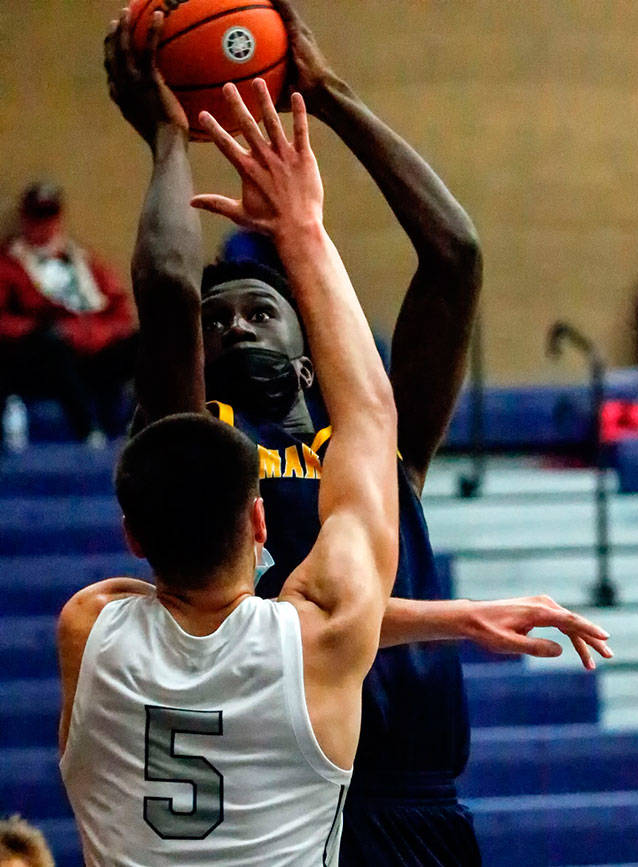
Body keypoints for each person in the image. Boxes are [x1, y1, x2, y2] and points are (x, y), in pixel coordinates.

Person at [104, 8, 612, 865]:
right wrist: (168, 138)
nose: (230, 328)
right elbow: (163, 281)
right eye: (216, 318)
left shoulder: (378, 452)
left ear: (313, 355)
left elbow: (454, 255)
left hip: (421, 803)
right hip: (289, 792)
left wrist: (328, 96)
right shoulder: (203, 450)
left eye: (260, 311)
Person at [57, 81, 399, 865]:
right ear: (259, 521)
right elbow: (372, 418)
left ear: (131, 537)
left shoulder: (87, 627)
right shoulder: (325, 634)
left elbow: (129, 595)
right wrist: (303, 229)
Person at [0, 182, 138, 444]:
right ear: (25, 219)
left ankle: (132, 424)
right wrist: (33, 330)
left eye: (49, 216)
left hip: (90, 349)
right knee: (52, 342)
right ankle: (87, 430)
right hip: (42, 357)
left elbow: (119, 311)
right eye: (37, 217)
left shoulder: (81, 261)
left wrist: (94, 334)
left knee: (142, 344)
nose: (44, 225)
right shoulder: (9, 264)